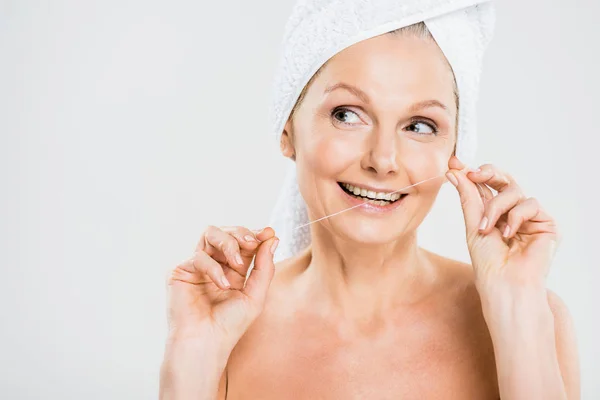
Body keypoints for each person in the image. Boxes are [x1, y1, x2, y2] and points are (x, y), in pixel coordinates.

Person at [159, 2, 580, 399]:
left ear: (455, 152)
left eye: (419, 125)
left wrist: (516, 315)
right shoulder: (229, 328)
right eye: (347, 114)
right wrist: (191, 358)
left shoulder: (533, 316)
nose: (383, 160)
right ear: (288, 130)